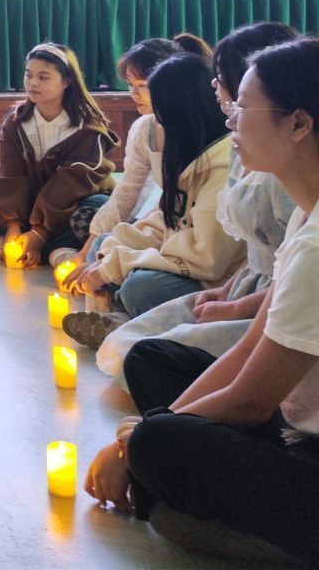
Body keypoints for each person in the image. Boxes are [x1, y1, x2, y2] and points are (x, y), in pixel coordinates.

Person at [83, 37, 319, 566]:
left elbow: (251, 400)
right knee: (156, 363)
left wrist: (136, 443)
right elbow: (250, 349)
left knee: (160, 450)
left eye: (243, 107)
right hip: (292, 419)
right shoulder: (307, 215)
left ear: (299, 124)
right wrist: (151, 429)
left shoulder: (317, 246)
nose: (230, 118)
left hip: (306, 444)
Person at [95, 22, 300, 383]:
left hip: (269, 300)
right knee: (129, 342)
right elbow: (167, 214)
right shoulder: (243, 149)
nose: (215, 88)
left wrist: (233, 304)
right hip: (243, 285)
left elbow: (287, 279)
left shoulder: (282, 177)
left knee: (142, 329)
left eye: (224, 83)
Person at [60, 52, 241, 347]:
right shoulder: (188, 150)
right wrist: (113, 251)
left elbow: (207, 260)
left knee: (141, 289)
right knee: (103, 244)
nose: (158, 125)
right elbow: (166, 217)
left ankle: (123, 318)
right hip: (178, 254)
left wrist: (115, 266)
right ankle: (119, 316)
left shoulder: (223, 166)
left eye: (162, 118)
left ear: (185, 116)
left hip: (213, 278)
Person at [57, 34, 211, 267]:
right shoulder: (144, 128)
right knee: (94, 227)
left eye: (142, 86)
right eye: (131, 84)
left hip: (198, 231)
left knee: (131, 276)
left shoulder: (199, 128)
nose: (133, 93)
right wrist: (87, 252)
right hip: (164, 220)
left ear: (169, 82)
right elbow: (128, 191)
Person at [0, 42, 116, 267]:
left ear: (66, 81)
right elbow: (7, 175)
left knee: (97, 210)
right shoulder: (15, 122)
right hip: (35, 208)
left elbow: (70, 185)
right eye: (29, 75)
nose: (33, 83)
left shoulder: (87, 127)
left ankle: (24, 248)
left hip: (71, 204)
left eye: (43, 77)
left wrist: (39, 233)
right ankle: (53, 251)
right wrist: (13, 226)